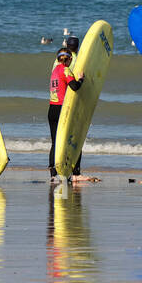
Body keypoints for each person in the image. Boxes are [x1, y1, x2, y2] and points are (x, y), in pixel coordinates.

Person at [47, 47, 84, 183]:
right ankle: (73, 171)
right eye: (70, 59)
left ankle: (53, 173)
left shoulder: (54, 71)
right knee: (70, 140)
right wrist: (81, 79)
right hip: (62, 111)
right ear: (68, 59)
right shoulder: (65, 69)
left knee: (55, 142)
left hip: (51, 110)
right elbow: (74, 86)